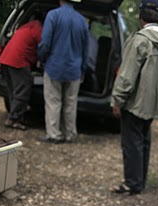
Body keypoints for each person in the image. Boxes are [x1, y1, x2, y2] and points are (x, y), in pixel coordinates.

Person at [111, 0, 158, 195]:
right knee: (143, 142)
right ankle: (139, 180)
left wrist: (117, 99)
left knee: (132, 144)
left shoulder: (140, 40)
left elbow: (127, 75)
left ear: (140, 16)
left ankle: (132, 183)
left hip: (135, 102)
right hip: (152, 103)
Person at [38, 0, 90, 144]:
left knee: (53, 101)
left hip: (54, 66)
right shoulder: (83, 21)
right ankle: (70, 134)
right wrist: (82, 68)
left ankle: (54, 134)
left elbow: (45, 43)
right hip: (74, 70)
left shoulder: (53, 15)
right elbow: (86, 50)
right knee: (70, 103)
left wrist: (42, 59)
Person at [0, 13, 44, 130]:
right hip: (18, 61)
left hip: (5, 59)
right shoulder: (38, 28)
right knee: (22, 89)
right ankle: (14, 119)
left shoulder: (26, 26)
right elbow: (44, 47)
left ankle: (15, 116)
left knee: (12, 90)